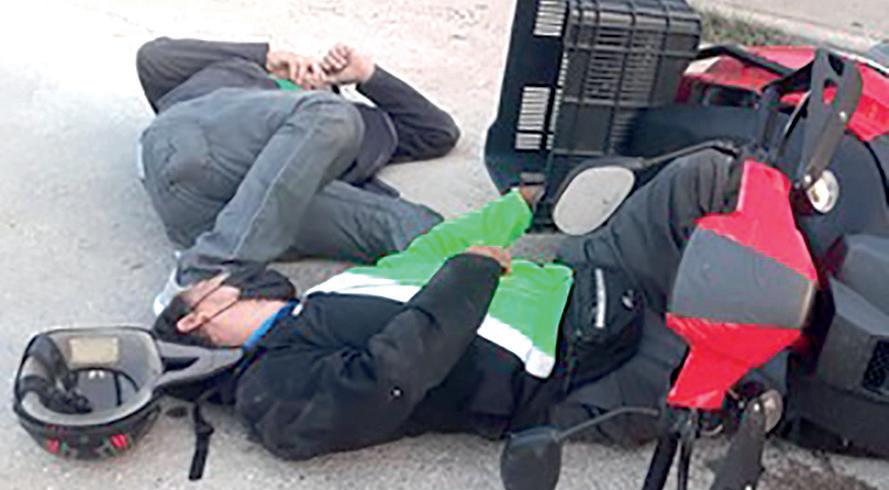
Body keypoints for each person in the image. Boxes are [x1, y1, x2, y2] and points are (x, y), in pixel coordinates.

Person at [153, 148, 738, 460]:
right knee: (751, 359)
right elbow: (383, 382)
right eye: (210, 285)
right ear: (198, 316)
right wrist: (471, 275)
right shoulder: (268, 389)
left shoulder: (325, 297)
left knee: (706, 174)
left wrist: (519, 205)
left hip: (586, 277)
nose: (228, 279)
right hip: (584, 366)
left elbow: (436, 247)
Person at [136, 37, 460, 314]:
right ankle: (202, 273)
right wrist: (266, 58)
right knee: (331, 115)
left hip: (238, 214)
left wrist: (367, 74)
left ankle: (458, 326)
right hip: (199, 147)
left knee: (422, 227)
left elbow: (438, 132)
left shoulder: (361, 125)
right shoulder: (240, 75)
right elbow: (155, 57)